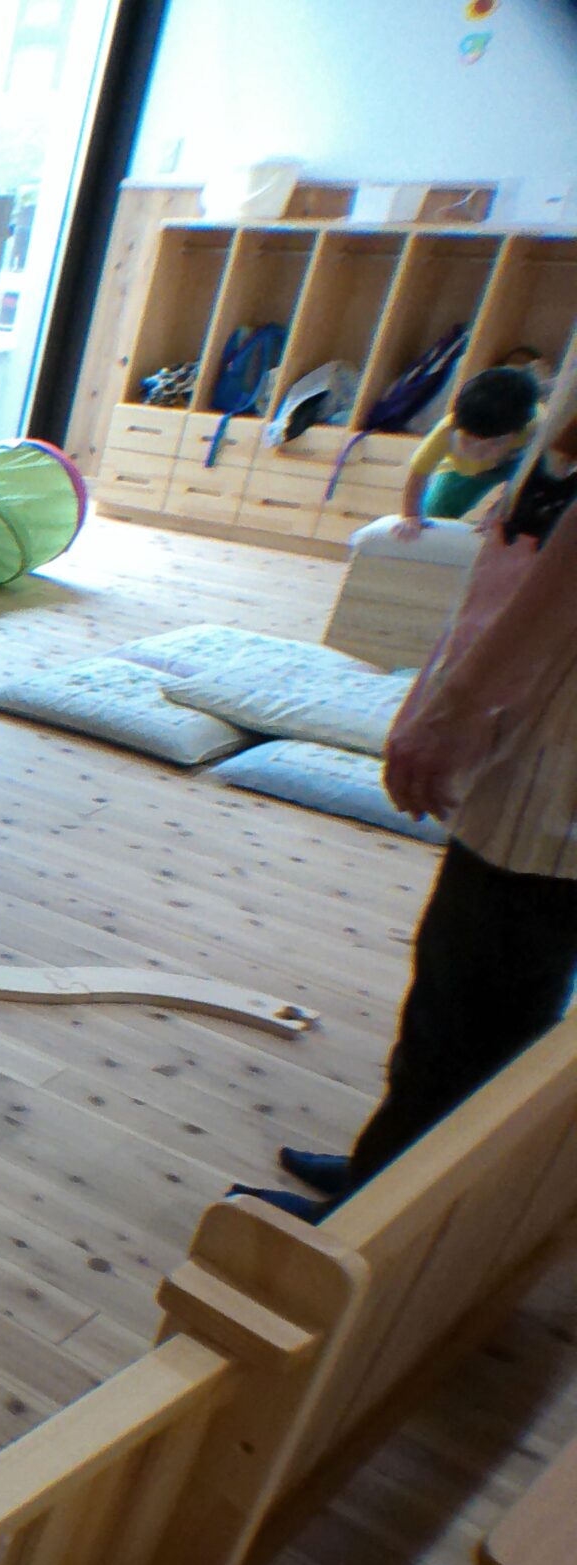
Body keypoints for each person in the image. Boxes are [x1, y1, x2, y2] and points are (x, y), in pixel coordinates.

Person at [249, 398, 577, 1223]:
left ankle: (384, 1220)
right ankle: (386, 1169)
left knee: (475, 1009)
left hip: (554, 787)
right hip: (536, 768)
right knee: (460, 996)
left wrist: (454, 707)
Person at [400, 365, 541, 534]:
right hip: (464, 469)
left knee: (519, 513)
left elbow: (530, 482)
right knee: (437, 511)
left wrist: (500, 509)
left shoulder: (536, 430)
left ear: (516, 432)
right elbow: (418, 474)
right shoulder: (447, 431)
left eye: (493, 443)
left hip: (518, 464)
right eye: (467, 440)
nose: (478, 452)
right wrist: (411, 516)